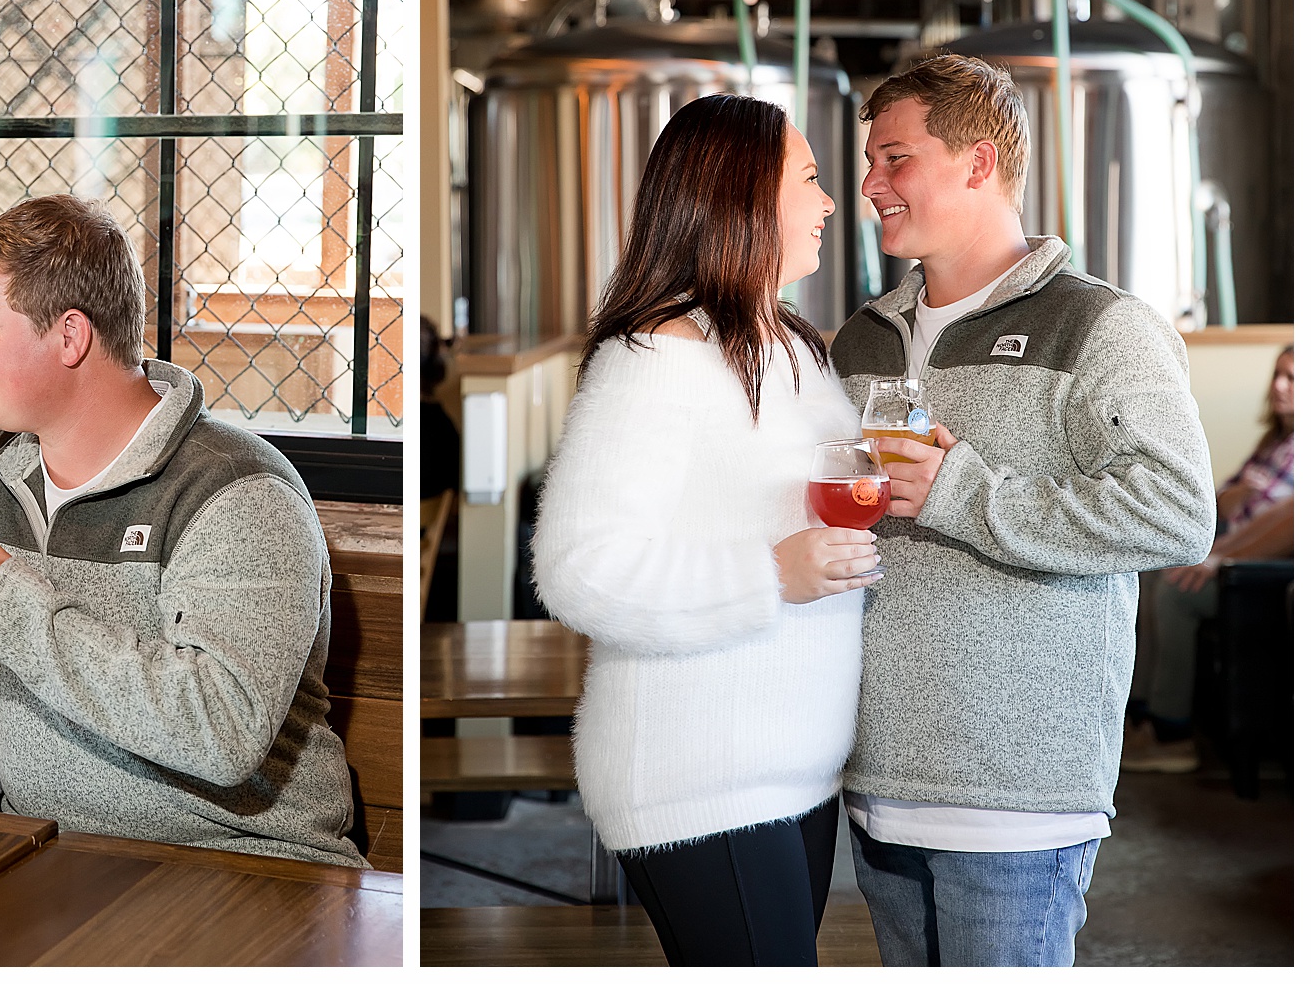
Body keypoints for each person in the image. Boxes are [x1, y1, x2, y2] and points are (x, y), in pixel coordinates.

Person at [831, 54, 1216, 967]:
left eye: (895, 157)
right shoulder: (860, 334)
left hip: (1017, 796)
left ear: (977, 162)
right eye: (868, 161)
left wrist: (968, 495)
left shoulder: (1102, 326)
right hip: (874, 774)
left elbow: (1175, 512)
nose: (869, 183)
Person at [0, 194, 365, 867]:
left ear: (70, 335)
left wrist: (11, 610)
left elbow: (223, 732)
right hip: (48, 857)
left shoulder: (238, 492)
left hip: (246, 862)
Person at [532, 95, 882, 967]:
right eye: (807, 178)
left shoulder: (793, 345)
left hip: (798, 768)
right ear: (741, 198)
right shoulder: (653, 359)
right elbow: (578, 568)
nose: (832, 200)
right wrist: (769, 576)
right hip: (701, 776)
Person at [1124, 345, 1293, 773]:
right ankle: (1138, 715)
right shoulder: (1274, 444)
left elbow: (1285, 522)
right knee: (1146, 576)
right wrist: (1227, 519)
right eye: (1278, 375)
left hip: (1254, 574)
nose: (1279, 386)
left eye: (1292, 379)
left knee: (1175, 593)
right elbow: (1220, 501)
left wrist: (1218, 556)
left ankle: (1171, 733)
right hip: (1226, 546)